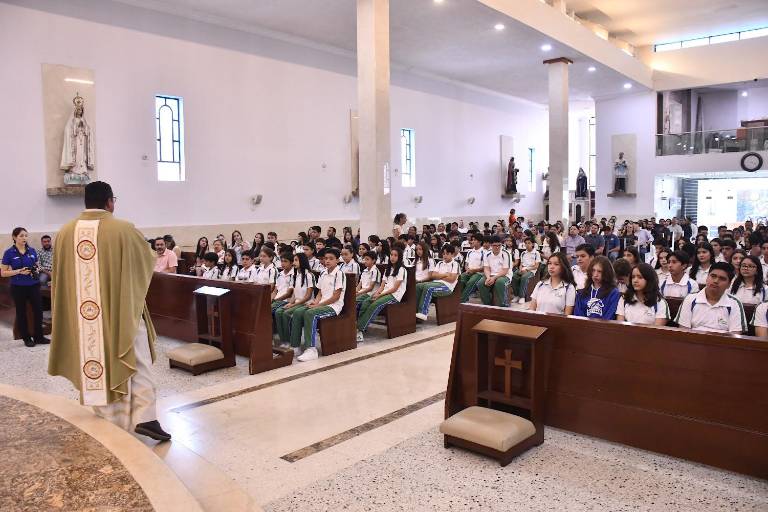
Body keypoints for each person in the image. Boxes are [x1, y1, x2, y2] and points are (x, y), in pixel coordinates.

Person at [49, 181, 169, 441]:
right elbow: (147, 261)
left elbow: (60, 280)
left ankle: (108, 419)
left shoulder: (65, 232)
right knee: (138, 361)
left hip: (85, 318)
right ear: (109, 202)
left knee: (94, 359)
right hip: (121, 313)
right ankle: (145, 418)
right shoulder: (123, 229)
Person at [290, 248, 346, 362]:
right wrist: (315, 302)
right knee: (298, 312)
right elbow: (320, 293)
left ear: (337, 260)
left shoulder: (339, 274)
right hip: (321, 304)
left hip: (334, 306)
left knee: (310, 314)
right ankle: (295, 346)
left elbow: (336, 297)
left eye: (331, 259)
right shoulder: (323, 272)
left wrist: (318, 306)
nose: (328, 261)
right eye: (326, 258)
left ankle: (311, 349)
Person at [1, 227, 48, 347]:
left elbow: (37, 266)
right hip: (18, 287)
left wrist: (36, 269)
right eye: (21, 236)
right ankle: (26, 338)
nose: (24, 238)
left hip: (33, 285)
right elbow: (3, 273)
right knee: (21, 313)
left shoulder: (32, 251)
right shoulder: (9, 253)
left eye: (26, 236)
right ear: (14, 237)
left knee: (38, 312)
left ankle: (39, 336)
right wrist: (18, 271)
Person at [675, 262, 746, 334]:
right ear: (707, 278)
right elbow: (684, 331)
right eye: (713, 276)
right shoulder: (690, 299)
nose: (716, 281)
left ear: (729, 284)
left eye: (722, 278)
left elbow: (735, 335)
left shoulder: (735, 303)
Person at [357, 247, 407, 342]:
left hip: (394, 295)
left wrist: (380, 295)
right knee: (366, 302)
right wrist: (377, 293)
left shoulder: (401, 270)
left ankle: (359, 330)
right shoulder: (388, 269)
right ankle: (359, 326)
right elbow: (382, 285)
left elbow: (395, 288)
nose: (392, 257)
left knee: (375, 305)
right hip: (384, 293)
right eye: (391, 255)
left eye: (395, 255)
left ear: (400, 257)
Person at [275, 253, 316, 347]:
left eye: (296, 260)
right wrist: (290, 302)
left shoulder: (309, 275)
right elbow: (294, 293)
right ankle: (284, 340)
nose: (294, 262)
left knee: (286, 313)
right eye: (294, 260)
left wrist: (293, 305)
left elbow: (308, 296)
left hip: (306, 303)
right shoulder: (295, 274)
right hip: (297, 302)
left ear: (303, 261)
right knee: (278, 312)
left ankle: (293, 343)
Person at [415, 245, 460, 321]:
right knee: (418, 286)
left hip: (447, 287)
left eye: (447, 254)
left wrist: (439, 276)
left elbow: (452, 279)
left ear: (452, 254)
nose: (445, 256)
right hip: (436, 283)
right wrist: (445, 274)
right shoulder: (439, 263)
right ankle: (415, 311)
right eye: (443, 254)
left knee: (428, 288)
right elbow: (433, 276)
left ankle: (423, 312)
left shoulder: (455, 264)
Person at [574, 256, 621, 320]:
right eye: (593, 270)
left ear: (606, 273)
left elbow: (610, 316)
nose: (595, 275)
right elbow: (578, 316)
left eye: (599, 271)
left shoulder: (613, 293)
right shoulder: (581, 293)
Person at [478, 236, 512, 307]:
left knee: (499, 282)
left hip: (504, 275)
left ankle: (504, 305)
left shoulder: (506, 254)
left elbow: (505, 270)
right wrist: (488, 277)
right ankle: (488, 304)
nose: (497, 247)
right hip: (491, 274)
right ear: (491, 245)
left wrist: (494, 278)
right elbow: (486, 268)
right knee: (481, 283)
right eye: (495, 245)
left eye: (499, 245)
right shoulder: (487, 254)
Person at [510, 238, 540, 304]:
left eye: (529, 243)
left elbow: (536, 266)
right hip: (523, 269)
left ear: (532, 244)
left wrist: (527, 269)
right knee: (514, 276)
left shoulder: (536, 253)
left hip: (532, 270)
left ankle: (522, 297)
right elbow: (521, 264)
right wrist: (520, 269)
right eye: (525, 243)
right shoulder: (523, 253)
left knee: (524, 277)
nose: (527, 245)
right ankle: (516, 295)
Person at [459, 235, 486, 302]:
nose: (472, 241)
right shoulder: (470, 251)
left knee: (471, 282)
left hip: (479, 273)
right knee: (460, 279)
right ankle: (463, 299)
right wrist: (467, 270)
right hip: (469, 271)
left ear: (480, 242)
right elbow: (466, 264)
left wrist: (473, 270)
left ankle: (462, 301)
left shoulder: (484, 252)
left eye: (474, 240)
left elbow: (484, 267)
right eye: (472, 240)